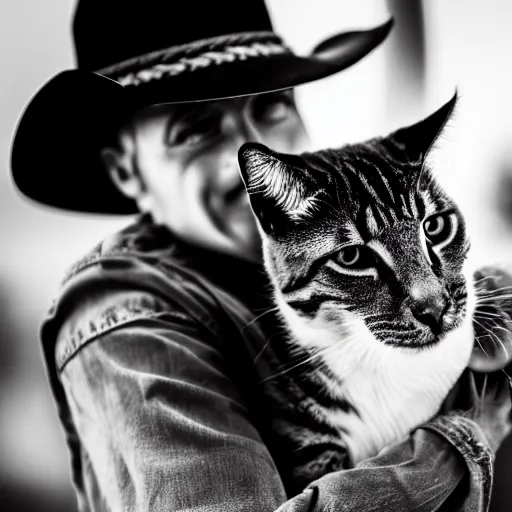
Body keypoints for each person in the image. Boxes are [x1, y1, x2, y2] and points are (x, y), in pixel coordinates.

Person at [10, 1, 512, 511]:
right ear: (126, 172)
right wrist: (468, 431)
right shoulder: (129, 320)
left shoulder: (297, 267)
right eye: (196, 129)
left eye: (271, 106)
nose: (250, 146)